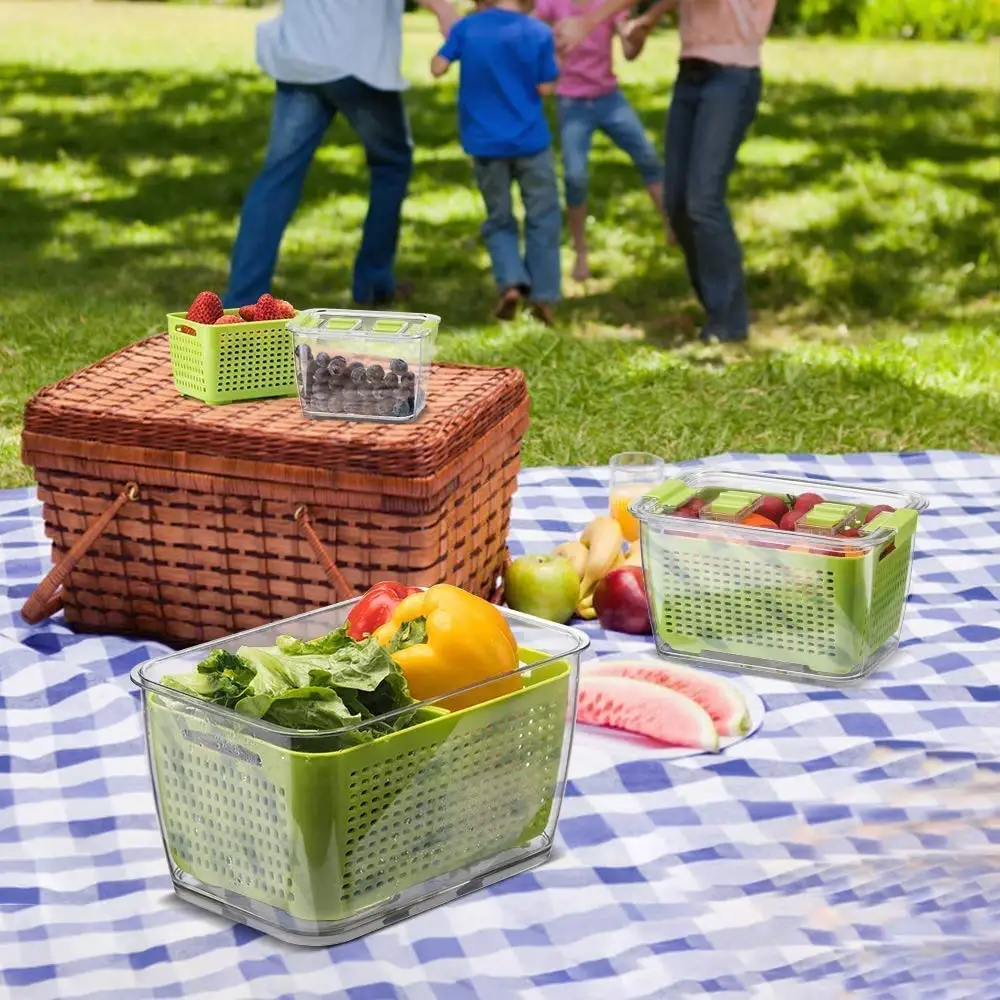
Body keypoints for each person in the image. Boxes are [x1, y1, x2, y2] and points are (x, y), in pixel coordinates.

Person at [556, 0, 776, 342]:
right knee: (676, 202)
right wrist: (649, 19)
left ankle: (729, 321)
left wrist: (589, 21)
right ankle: (715, 306)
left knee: (703, 200)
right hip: (691, 72)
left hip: (732, 74)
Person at [224, 0, 458, 310]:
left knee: (278, 176)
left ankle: (244, 298)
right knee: (392, 162)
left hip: (300, 55)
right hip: (355, 60)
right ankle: (373, 282)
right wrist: (444, 10)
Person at [432, 1, 563, 325]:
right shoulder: (538, 31)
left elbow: (437, 67)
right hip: (531, 141)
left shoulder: (468, 27)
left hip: (485, 143)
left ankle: (510, 283)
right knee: (542, 216)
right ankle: (544, 295)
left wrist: (449, 40)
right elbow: (546, 86)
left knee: (499, 217)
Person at [534, 0, 673, 283]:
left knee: (647, 156)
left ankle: (671, 226)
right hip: (572, 103)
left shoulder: (608, 4)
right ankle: (580, 252)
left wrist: (639, 33)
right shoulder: (550, 4)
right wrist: (552, 54)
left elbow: (630, 51)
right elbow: (531, 38)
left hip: (609, 98)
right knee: (575, 177)